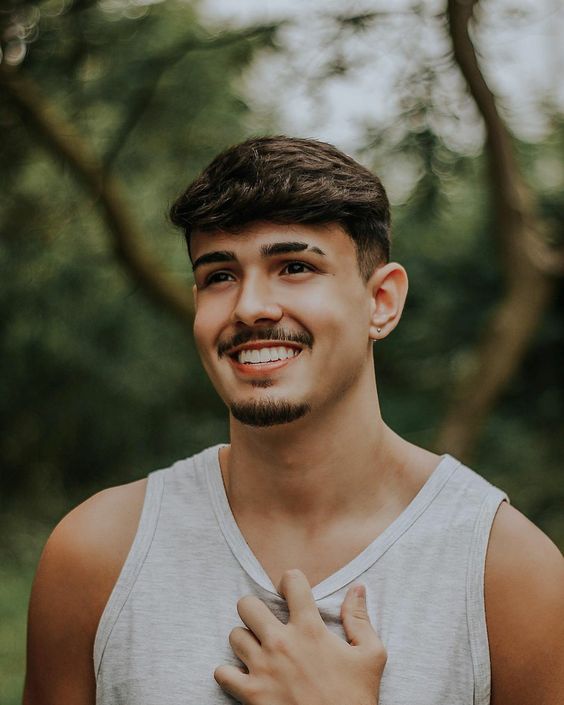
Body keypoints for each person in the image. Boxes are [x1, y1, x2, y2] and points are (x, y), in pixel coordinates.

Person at [24, 136, 563, 705]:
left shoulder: (507, 574)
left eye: (295, 267)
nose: (250, 306)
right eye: (220, 275)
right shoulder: (94, 555)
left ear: (381, 301)